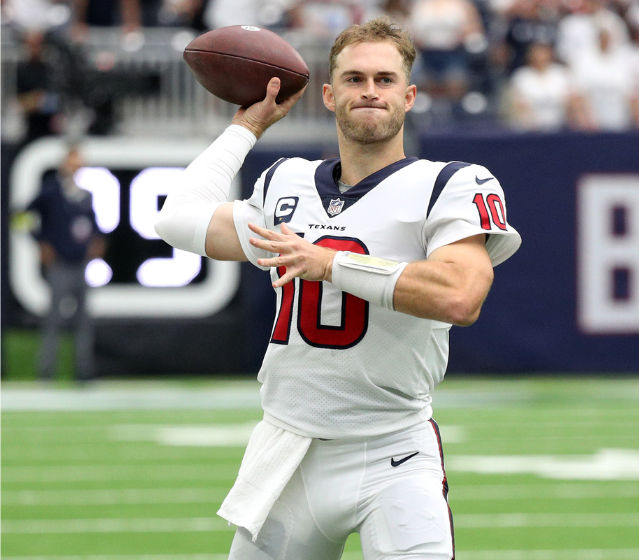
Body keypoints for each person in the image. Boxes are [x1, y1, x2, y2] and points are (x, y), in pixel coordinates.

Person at [154, 16, 521, 560]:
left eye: (384, 79)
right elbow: (176, 219)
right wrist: (245, 129)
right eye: (353, 79)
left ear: (409, 95)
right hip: (290, 454)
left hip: (394, 453)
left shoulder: (450, 184)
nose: (369, 91)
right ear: (327, 94)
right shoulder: (287, 183)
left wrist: (330, 265)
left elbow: (459, 295)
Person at [26, 146, 105, 381]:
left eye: (78, 163)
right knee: (54, 319)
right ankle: (47, 371)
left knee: (83, 319)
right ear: (63, 165)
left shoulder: (85, 195)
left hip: (80, 263)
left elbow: (92, 225)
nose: (74, 167)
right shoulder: (50, 192)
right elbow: (23, 216)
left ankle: (83, 372)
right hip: (60, 264)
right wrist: (40, 243)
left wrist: (97, 242)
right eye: (71, 162)